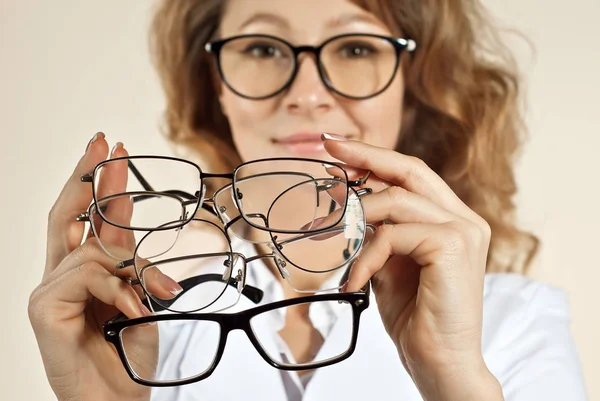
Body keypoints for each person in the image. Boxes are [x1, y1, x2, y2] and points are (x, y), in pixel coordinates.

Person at [28, 0, 588, 400]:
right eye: (264, 47)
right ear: (216, 85)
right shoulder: (133, 318)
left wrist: (453, 379)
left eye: (355, 47)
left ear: (411, 87)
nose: (307, 93)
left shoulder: (516, 323)